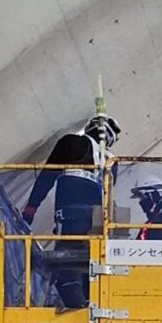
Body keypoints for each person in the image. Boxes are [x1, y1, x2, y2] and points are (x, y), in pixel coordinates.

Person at [21, 112, 120, 308]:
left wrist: (31, 208)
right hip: (99, 225)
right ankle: (92, 307)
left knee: (66, 272)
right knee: (90, 271)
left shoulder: (73, 143)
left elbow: (47, 176)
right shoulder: (111, 163)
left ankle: (81, 314)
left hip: (72, 219)